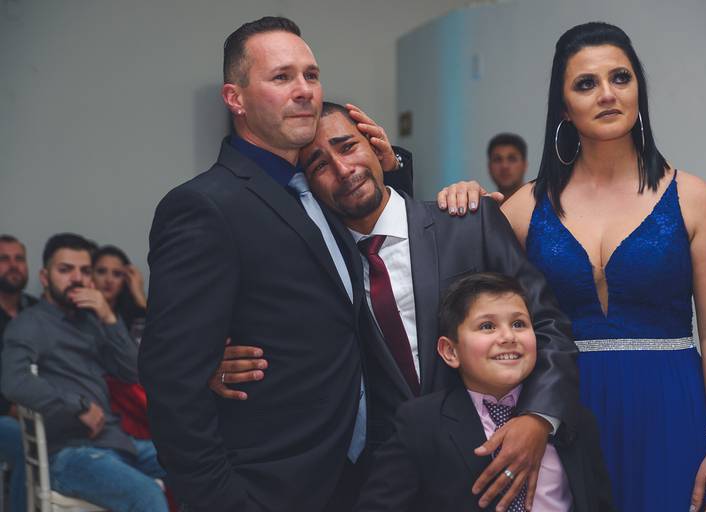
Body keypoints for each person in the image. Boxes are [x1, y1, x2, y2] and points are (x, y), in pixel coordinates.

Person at [214, 101, 579, 511]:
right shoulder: (316, 267)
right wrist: (212, 365)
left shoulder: (467, 222)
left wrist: (538, 418)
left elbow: (547, 324)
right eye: (319, 165)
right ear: (307, 186)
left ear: (377, 148)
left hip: (502, 453)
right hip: (388, 480)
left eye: (348, 146)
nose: (343, 169)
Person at [139, 17, 412, 512]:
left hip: (364, 480)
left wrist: (393, 167)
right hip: (270, 487)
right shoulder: (204, 206)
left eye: (311, 75)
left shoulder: (320, 191)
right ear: (235, 98)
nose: (304, 90)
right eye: (282, 77)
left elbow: (382, 256)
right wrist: (222, 501)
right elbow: (172, 382)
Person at [497, 22, 706, 512]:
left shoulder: (693, 198)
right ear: (563, 106)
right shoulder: (523, 209)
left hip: (672, 410)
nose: (607, 94)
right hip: (562, 416)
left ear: (638, 90)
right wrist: (460, 201)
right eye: (586, 83)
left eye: (621, 78)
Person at [355, 272, 614, 511]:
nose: (508, 337)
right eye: (487, 326)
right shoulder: (420, 422)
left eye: (519, 324)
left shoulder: (571, 419)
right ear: (450, 351)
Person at [1, 233, 167, 512]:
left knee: (203, 465)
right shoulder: (29, 324)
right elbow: (14, 381)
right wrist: (77, 405)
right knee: (147, 495)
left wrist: (109, 318)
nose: (77, 278)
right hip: (69, 453)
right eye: (65, 270)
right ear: (44, 277)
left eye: (85, 271)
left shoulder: (91, 321)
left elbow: (133, 372)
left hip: (119, 443)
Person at [92, 245, 152, 439]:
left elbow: (161, 348)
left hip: (139, 399)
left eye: (117, 274)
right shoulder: (78, 315)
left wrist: (139, 296)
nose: (109, 280)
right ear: (90, 274)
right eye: (102, 271)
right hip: (102, 404)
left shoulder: (133, 315)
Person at [0, 234, 34, 512]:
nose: (13, 265)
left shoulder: (38, 311)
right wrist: (10, 408)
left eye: (19, 258)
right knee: (28, 445)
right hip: (4, 415)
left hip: (39, 410)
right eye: (4, 259)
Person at [487, 133, 528, 199]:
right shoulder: (483, 204)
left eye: (512, 159)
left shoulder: (540, 202)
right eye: (497, 159)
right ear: (489, 166)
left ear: (525, 165)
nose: (504, 166)